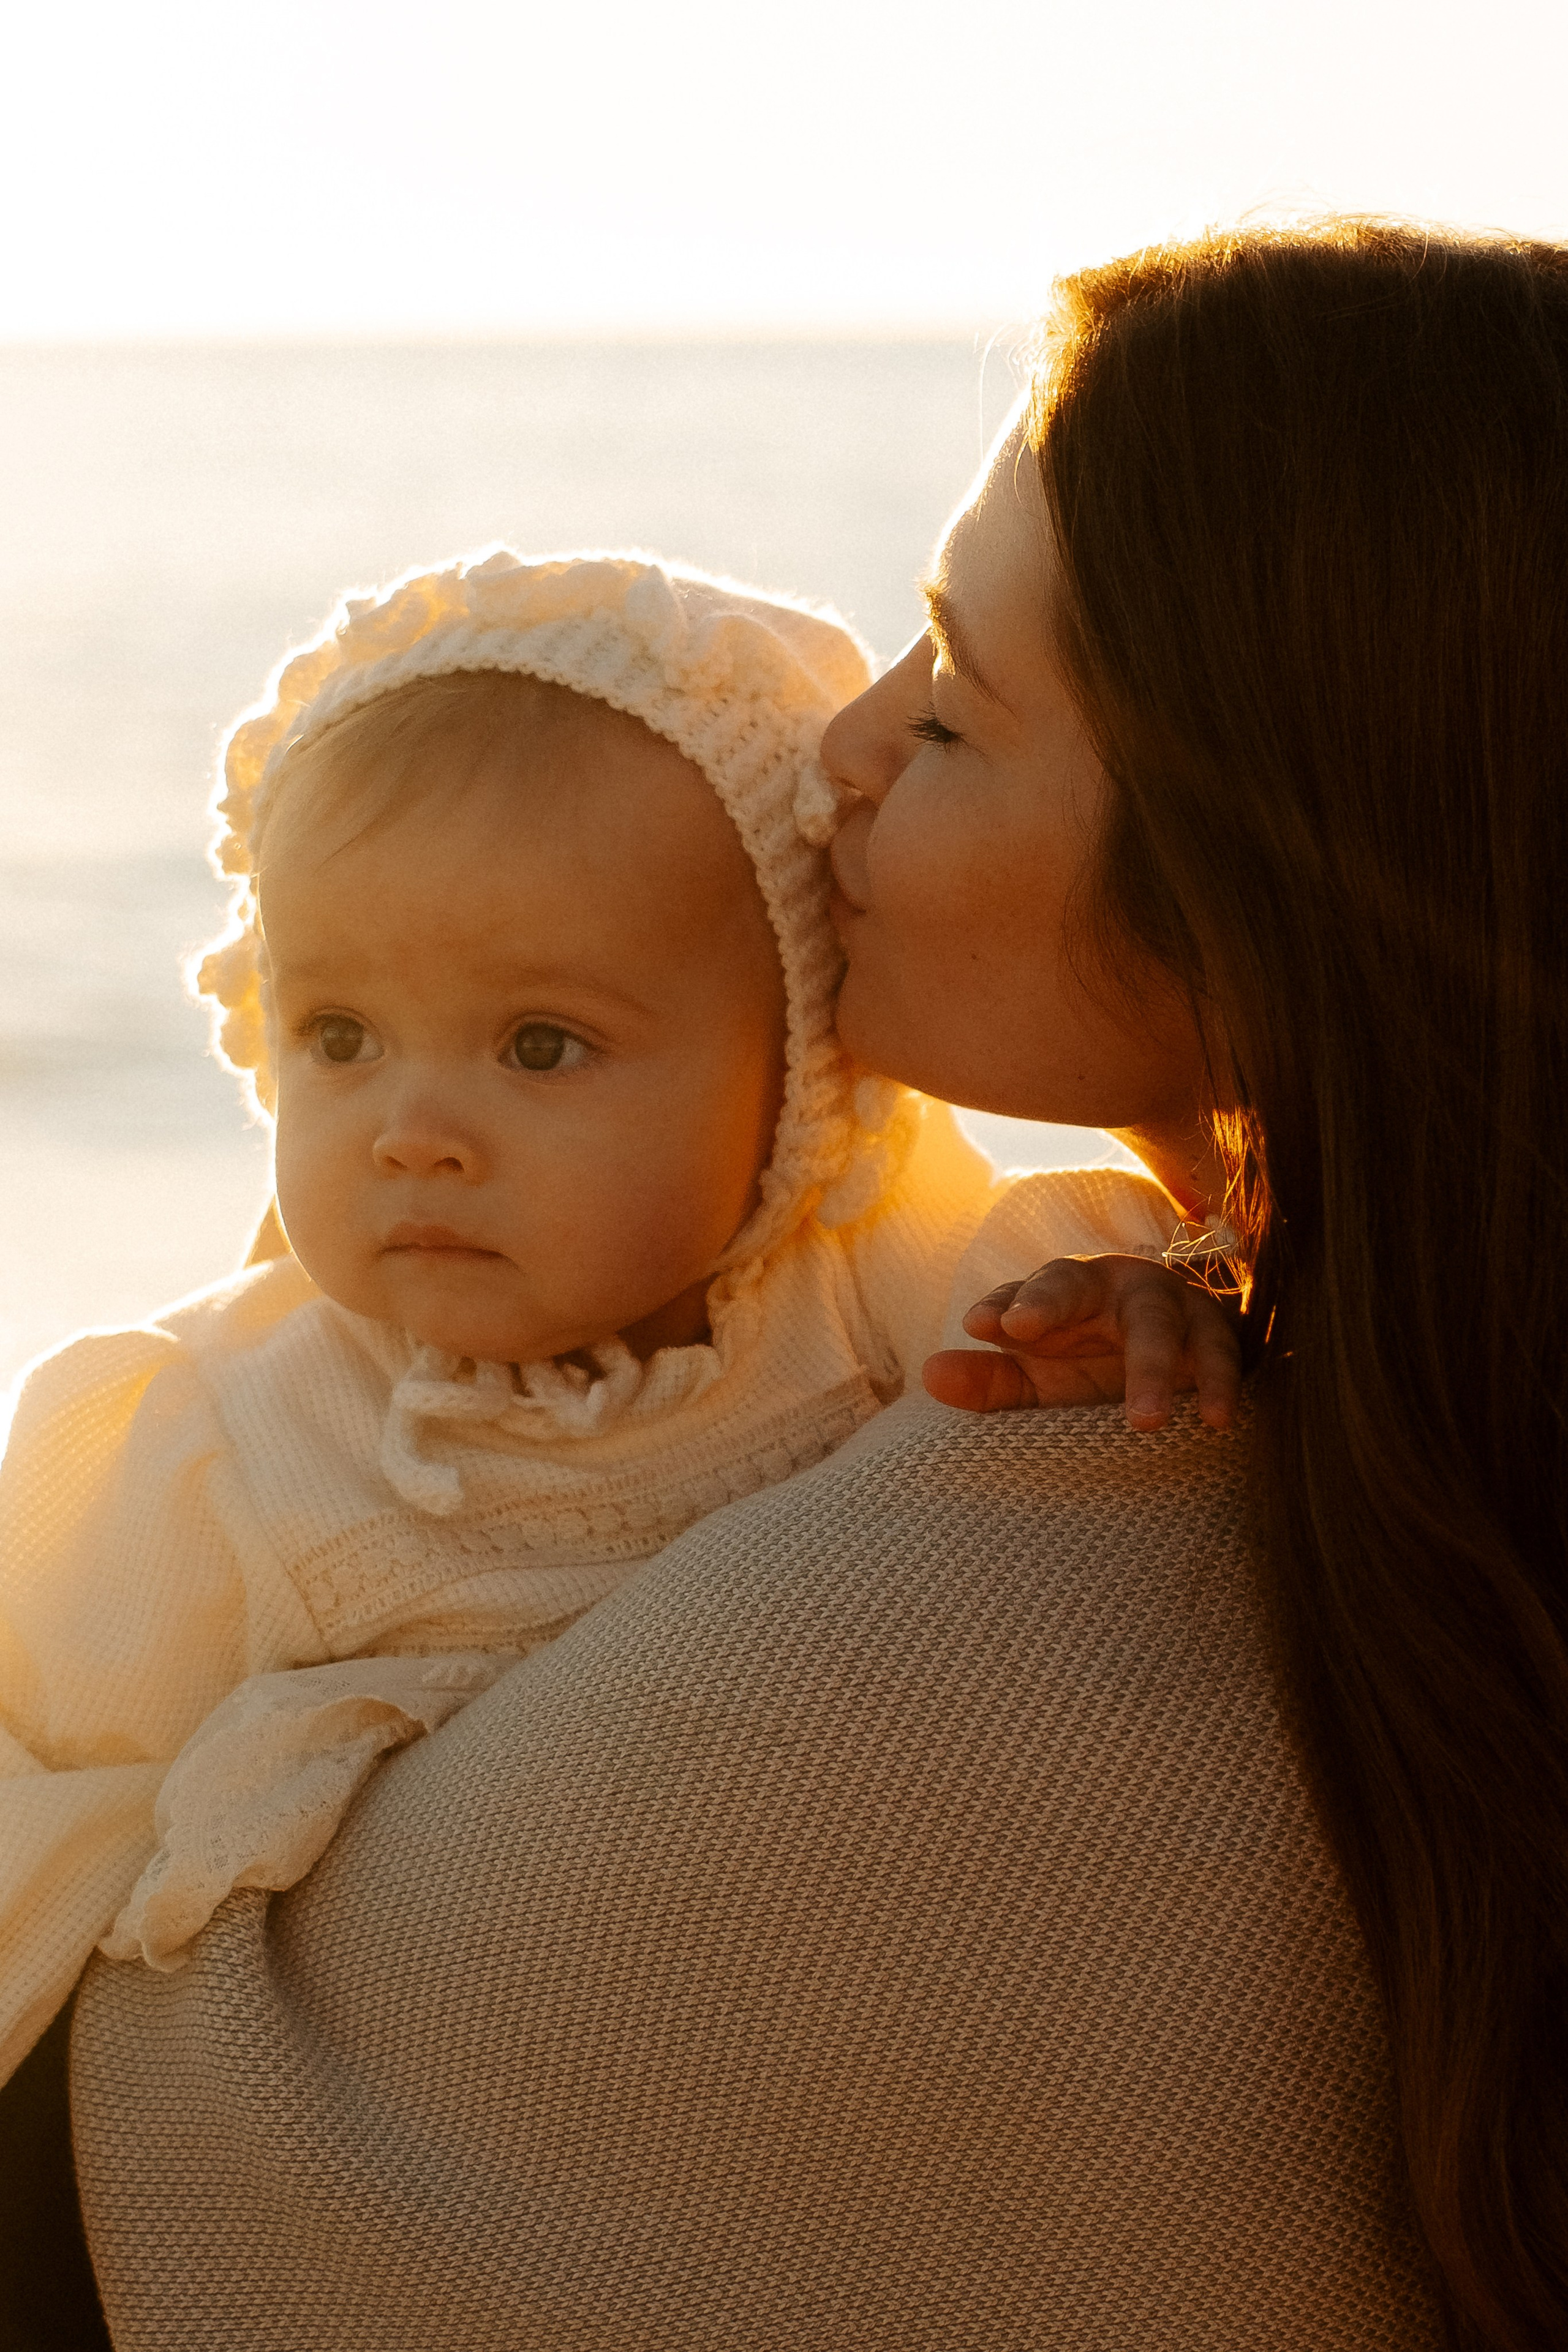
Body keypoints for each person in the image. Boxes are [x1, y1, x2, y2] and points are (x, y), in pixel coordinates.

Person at [71, 216, 1566, 2349]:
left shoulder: (1045, 1526)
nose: (837, 756)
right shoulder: (1261, 1409)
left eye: (951, 704)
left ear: (1266, 870)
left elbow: (179, 2165)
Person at [0, 551, 1232, 2101]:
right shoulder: (218, 1445)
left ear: (787, 1074)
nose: (413, 1131)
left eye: (539, 1044)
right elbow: (42, 1790)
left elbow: (1100, 1327)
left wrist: (1139, 1303)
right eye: (339, 1037)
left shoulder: (890, 1292)